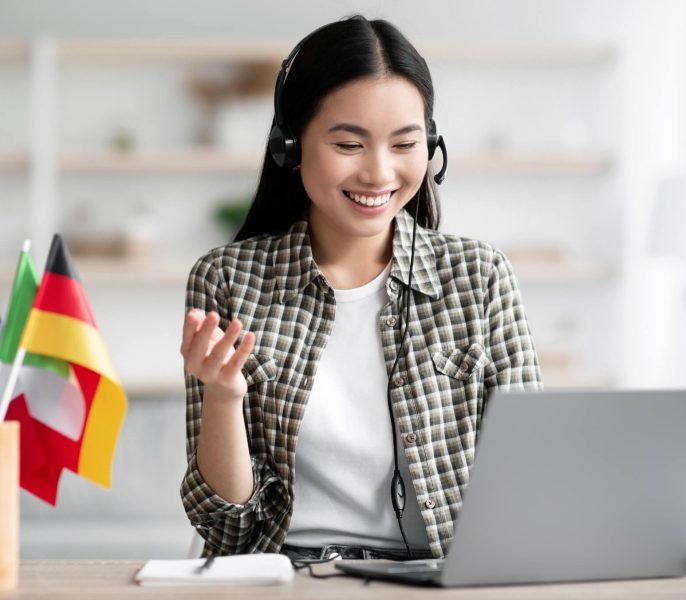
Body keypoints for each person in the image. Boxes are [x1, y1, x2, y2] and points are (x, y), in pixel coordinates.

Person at [179, 15, 542, 561]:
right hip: (289, 579)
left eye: (404, 144)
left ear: (432, 147)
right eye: (349, 144)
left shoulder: (481, 276)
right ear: (291, 144)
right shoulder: (228, 279)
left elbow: (534, 483)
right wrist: (225, 398)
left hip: (442, 582)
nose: (379, 173)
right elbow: (228, 534)